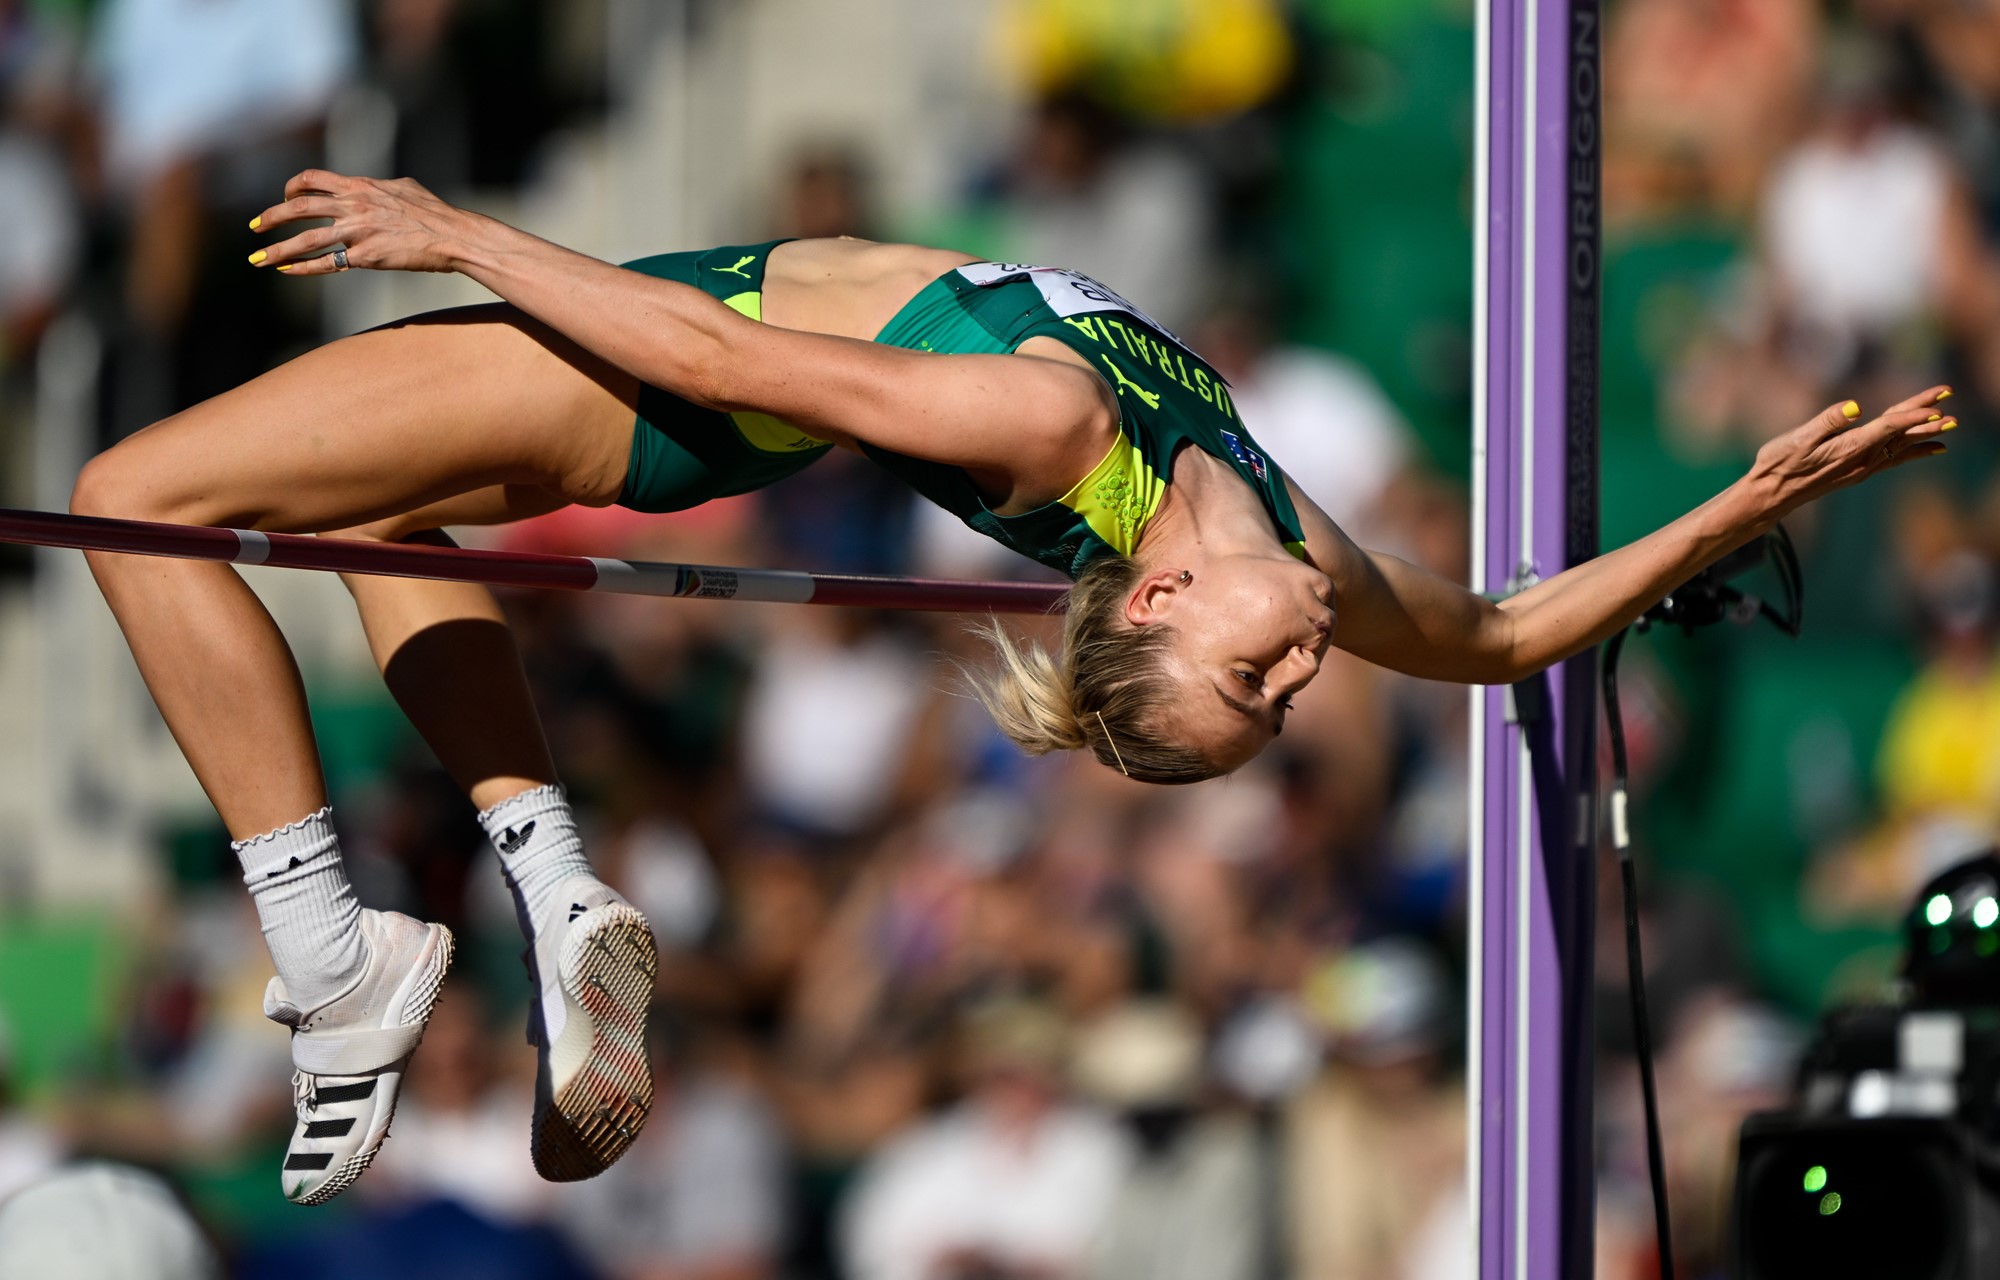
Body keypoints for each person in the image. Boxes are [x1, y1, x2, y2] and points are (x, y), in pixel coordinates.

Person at [68, 167, 1955, 1203]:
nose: (1307, 664)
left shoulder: (1047, 425)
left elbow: (714, 346)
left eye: (1257, 683)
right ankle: (551, 886)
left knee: (129, 498)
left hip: (640, 358)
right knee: (379, 533)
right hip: (663, 368)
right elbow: (1506, 636)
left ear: (1151, 603)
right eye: (1285, 685)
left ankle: (325, 947)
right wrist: (1738, 506)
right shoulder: (1283, 522)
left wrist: (467, 232)